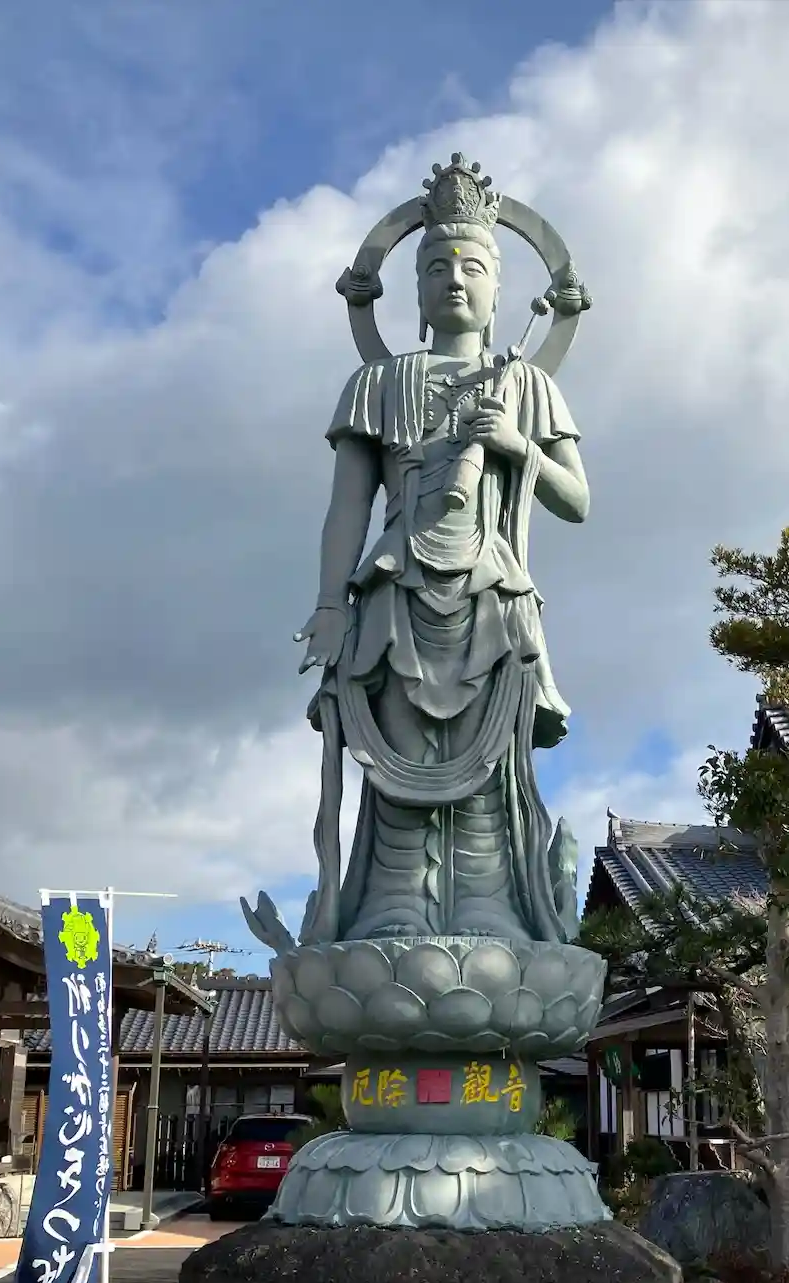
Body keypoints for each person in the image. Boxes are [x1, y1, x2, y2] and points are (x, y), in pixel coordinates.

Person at [295, 156, 590, 948]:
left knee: (487, 773)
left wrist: (518, 447)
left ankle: (486, 906)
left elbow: (577, 500)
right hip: (396, 589)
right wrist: (329, 606)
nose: (453, 280)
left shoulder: (527, 386)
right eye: (434, 267)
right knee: (397, 762)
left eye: (471, 267)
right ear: (415, 290)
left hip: (492, 591)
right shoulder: (378, 382)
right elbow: (347, 508)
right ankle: (396, 902)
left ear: (498, 289)